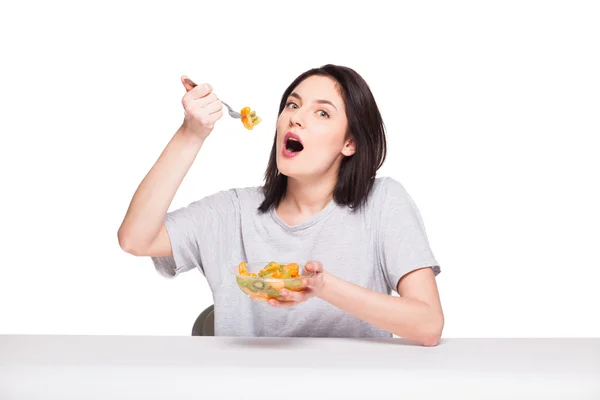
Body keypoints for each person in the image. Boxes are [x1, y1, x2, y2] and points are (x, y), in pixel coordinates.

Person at [118, 64, 444, 346]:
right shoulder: (232, 212)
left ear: (350, 142)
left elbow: (428, 326)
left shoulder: (382, 203)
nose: (296, 118)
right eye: (292, 105)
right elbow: (135, 239)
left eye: (322, 112)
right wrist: (191, 134)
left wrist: (323, 286)